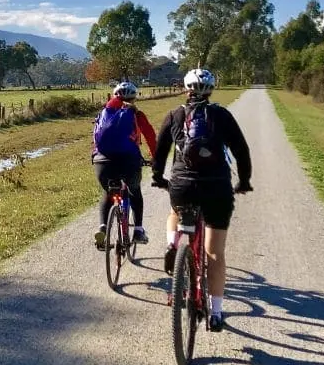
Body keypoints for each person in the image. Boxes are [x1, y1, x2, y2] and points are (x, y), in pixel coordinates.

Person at [151, 68, 252, 332]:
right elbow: (241, 151)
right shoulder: (221, 115)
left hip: (183, 186)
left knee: (178, 210)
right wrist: (243, 181)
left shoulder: (174, 115)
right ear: (211, 90)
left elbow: (160, 153)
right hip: (217, 188)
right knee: (214, 252)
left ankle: (174, 244)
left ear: (185, 89)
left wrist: (158, 178)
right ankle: (216, 312)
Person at [92, 81, 158, 250]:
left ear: (114, 96)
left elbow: (96, 139)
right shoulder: (136, 114)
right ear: (134, 98)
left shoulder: (103, 113)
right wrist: (155, 158)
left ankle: (103, 228)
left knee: (108, 192)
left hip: (103, 162)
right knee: (134, 191)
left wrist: (96, 157)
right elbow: (150, 136)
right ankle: (138, 230)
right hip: (129, 161)